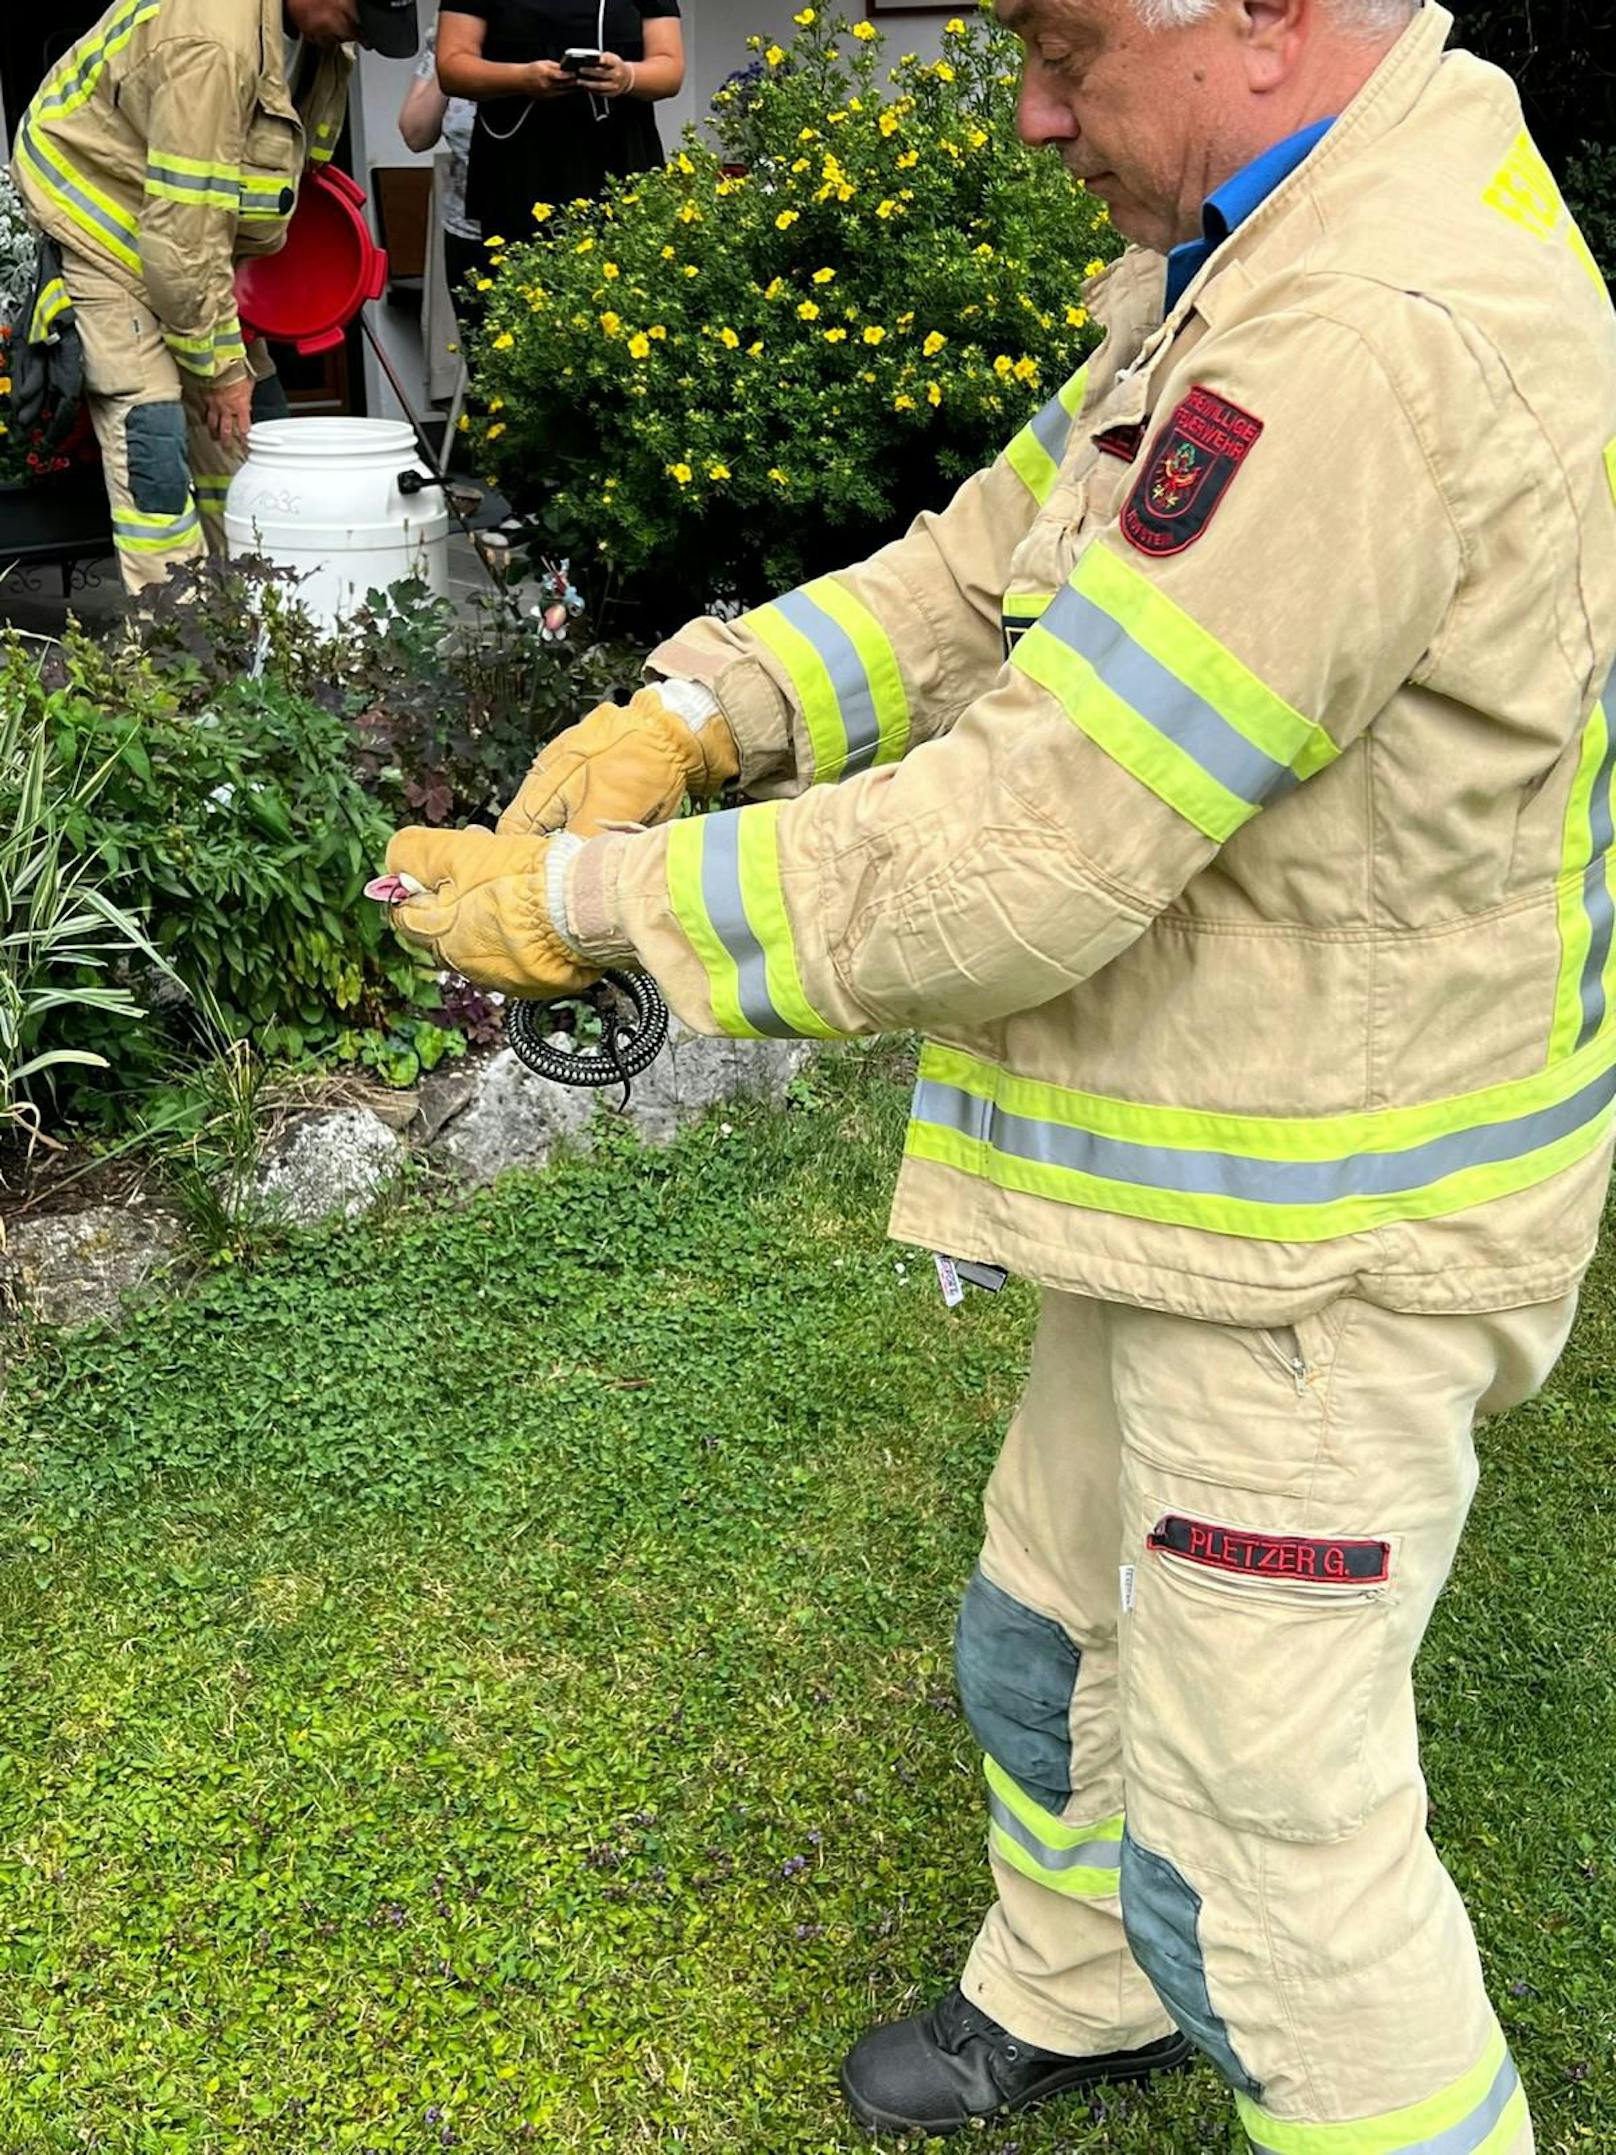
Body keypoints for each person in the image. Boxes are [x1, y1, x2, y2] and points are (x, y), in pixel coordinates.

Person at [383, 0, 1616, 2145]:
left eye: (1062, 50)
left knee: (1266, 1860)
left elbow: (1018, 863)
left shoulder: (1364, 335)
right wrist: (704, 703)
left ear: (1261, 15)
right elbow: (988, 560)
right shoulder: (1264, 228)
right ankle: (1071, 1989)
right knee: (1045, 1635)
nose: (1033, 113)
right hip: (1216, 1167)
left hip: (1327, 1247)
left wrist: (589, 902)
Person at [8, 0, 420, 595]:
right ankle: (175, 643)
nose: (359, 37)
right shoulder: (211, 44)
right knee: (152, 433)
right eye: (358, 19)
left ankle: (255, 613)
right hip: (101, 220)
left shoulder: (322, 38)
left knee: (243, 438)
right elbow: (181, 232)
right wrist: (222, 365)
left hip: (192, 238)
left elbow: (261, 186)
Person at [435, 0, 683, 242]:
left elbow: (669, 69)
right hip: (518, 169)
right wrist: (521, 78)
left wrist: (627, 76)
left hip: (621, 160)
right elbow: (452, 68)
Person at [398, 17, 484, 309]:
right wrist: (453, 62)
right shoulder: (449, 31)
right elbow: (415, 133)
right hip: (466, 232)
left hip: (541, 228)